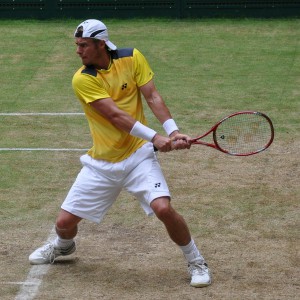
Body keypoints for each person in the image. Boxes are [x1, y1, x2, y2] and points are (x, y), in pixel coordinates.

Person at [29, 19, 211, 288]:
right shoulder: (83, 79)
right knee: (64, 223)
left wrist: (172, 132)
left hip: (138, 157)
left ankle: (196, 261)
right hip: (101, 163)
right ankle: (63, 246)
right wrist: (156, 138)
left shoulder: (132, 57)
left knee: (163, 208)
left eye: (83, 45)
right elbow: (115, 116)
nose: (78, 51)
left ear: (101, 44)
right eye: (77, 45)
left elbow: (152, 96)